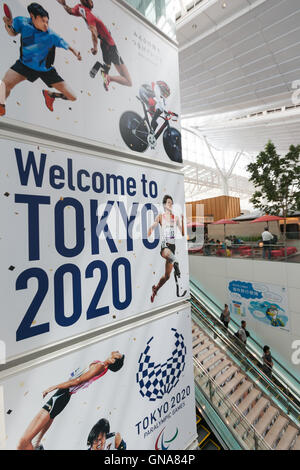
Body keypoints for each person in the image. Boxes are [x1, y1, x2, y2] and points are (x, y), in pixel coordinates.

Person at [17, 351, 125, 450]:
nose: (116, 352)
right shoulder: (102, 367)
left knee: (24, 442)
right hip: (62, 396)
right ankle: (37, 444)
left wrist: (53, 387)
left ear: (113, 360)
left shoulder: (101, 366)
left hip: (62, 394)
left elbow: (77, 381)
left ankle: (36, 444)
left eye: (118, 355)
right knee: (42, 425)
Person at [0, 3, 82, 116]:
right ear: (32, 17)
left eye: (47, 21)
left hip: (46, 70)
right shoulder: (21, 22)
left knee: (72, 97)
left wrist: (76, 52)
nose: (46, 25)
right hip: (24, 65)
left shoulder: (51, 35)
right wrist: (8, 25)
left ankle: (50, 95)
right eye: (43, 21)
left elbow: (67, 45)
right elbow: (12, 33)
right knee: (3, 85)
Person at [57, 0, 132, 91]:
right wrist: (95, 48)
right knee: (128, 81)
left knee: (108, 65)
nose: (91, 2)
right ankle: (108, 77)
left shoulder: (80, 8)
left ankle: (103, 70)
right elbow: (93, 31)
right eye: (90, 1)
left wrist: (64, 4)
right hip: (110, 45)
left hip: (104, 45)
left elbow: (70, 11)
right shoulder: (88, 14)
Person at [148, 195, 184, 303]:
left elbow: (182, 233)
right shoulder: (160, 216)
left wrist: (181, 222)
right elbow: (153, 226)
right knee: (174, 259)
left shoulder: (175, 218)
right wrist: (149, 231)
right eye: (169, 202)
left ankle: (155, 289)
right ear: (164, 205)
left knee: (167, 276)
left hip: (172, 247)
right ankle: (176, 262)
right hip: (165, 246)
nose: (171, 204)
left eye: (172, 203)